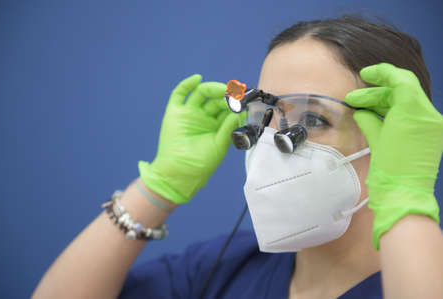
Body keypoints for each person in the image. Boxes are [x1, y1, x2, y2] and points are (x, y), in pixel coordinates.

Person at [32, 15, 443, 299]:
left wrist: (406, 198)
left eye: (312, 118)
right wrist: (158, 186)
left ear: (394, 136)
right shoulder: (227, 266)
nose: (273, 141)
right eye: (264, 116)